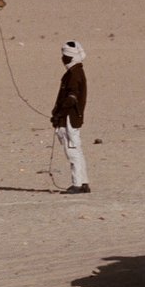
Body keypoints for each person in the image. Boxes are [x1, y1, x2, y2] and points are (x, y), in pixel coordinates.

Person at [51, 40, 89, 193]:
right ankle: (84, 182)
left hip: (69, 117)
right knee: (77, 150)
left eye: (65, 56)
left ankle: (77, 184)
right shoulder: (75, 72)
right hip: (71, 117)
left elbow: (71, 98)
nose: (62, 59)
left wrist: (59, 113)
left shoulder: (74, 74)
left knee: (72, 150)